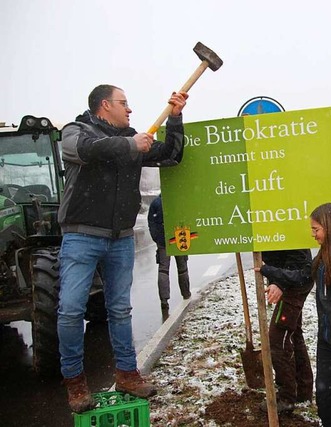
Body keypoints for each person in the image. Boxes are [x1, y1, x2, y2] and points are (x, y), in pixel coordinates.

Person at [57, 84, 188, 413]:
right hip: (81, 235)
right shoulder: (77, 131)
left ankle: (128, 374)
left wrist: (175, 117)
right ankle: (75, 383)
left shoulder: (133, 139)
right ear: (105, 105)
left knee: (119, 310)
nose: (129, 109)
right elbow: (86, 150)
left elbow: (173, 154)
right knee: (71, 310)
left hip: (120, 237)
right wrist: (130, 145)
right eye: (123, 103)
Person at [259, 203, 331, 426]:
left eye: (316, 229)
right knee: (326, 403)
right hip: (327, 343)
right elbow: (303, 277)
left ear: (330, 227)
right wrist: (268, 271)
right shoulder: (323, 257)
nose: (313, 235)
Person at [257, 249, 314, 413]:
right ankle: (303, 390)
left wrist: (280, 283)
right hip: (290, 279)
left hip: (293, 283)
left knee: (278, 338)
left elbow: (298, 256)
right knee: (294, 334)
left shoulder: (287, 226)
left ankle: (287, 397)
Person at [147, 194, 191, 313]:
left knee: (163, 270)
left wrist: (157, 238)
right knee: (182, 269)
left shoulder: (156, 203)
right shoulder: (178, 200)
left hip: (163, 241)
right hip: (179, 238)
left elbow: (151, 222)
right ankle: (186, 293)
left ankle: (164, 300)